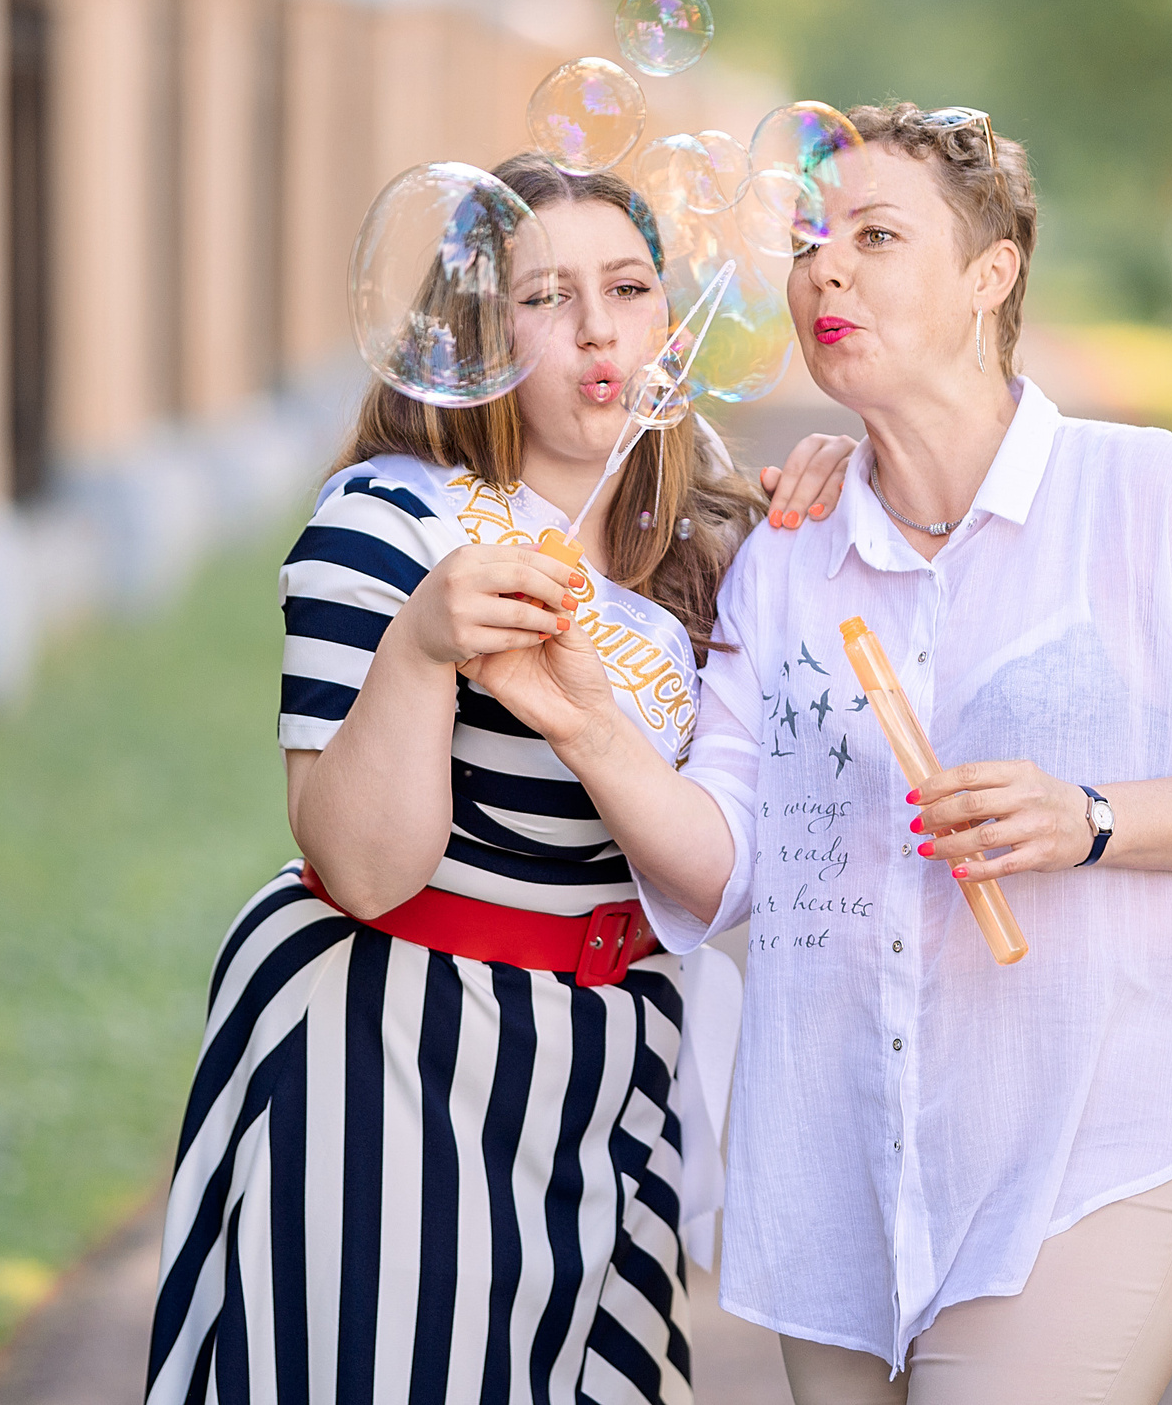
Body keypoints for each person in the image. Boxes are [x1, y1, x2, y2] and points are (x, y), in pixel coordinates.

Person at [475, 106, 1172, 1404]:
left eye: (876, 236)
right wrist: (583, 718)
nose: (824, 268)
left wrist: (1093, 817)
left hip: (1098, 1130)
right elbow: (724, 865)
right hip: (843, 1164)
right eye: (807, 241)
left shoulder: (1151, 497)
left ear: (989, 275)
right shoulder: (788, 551)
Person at [145, 151, 853, 1405]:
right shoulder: (392, 522)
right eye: (545, 295)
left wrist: (845, 504)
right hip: (396, 1049)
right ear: (475, 332)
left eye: (629, 287)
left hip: (611, 1063)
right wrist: (421, 646)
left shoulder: (716, 548)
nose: (596, 327)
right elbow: (360, 868)